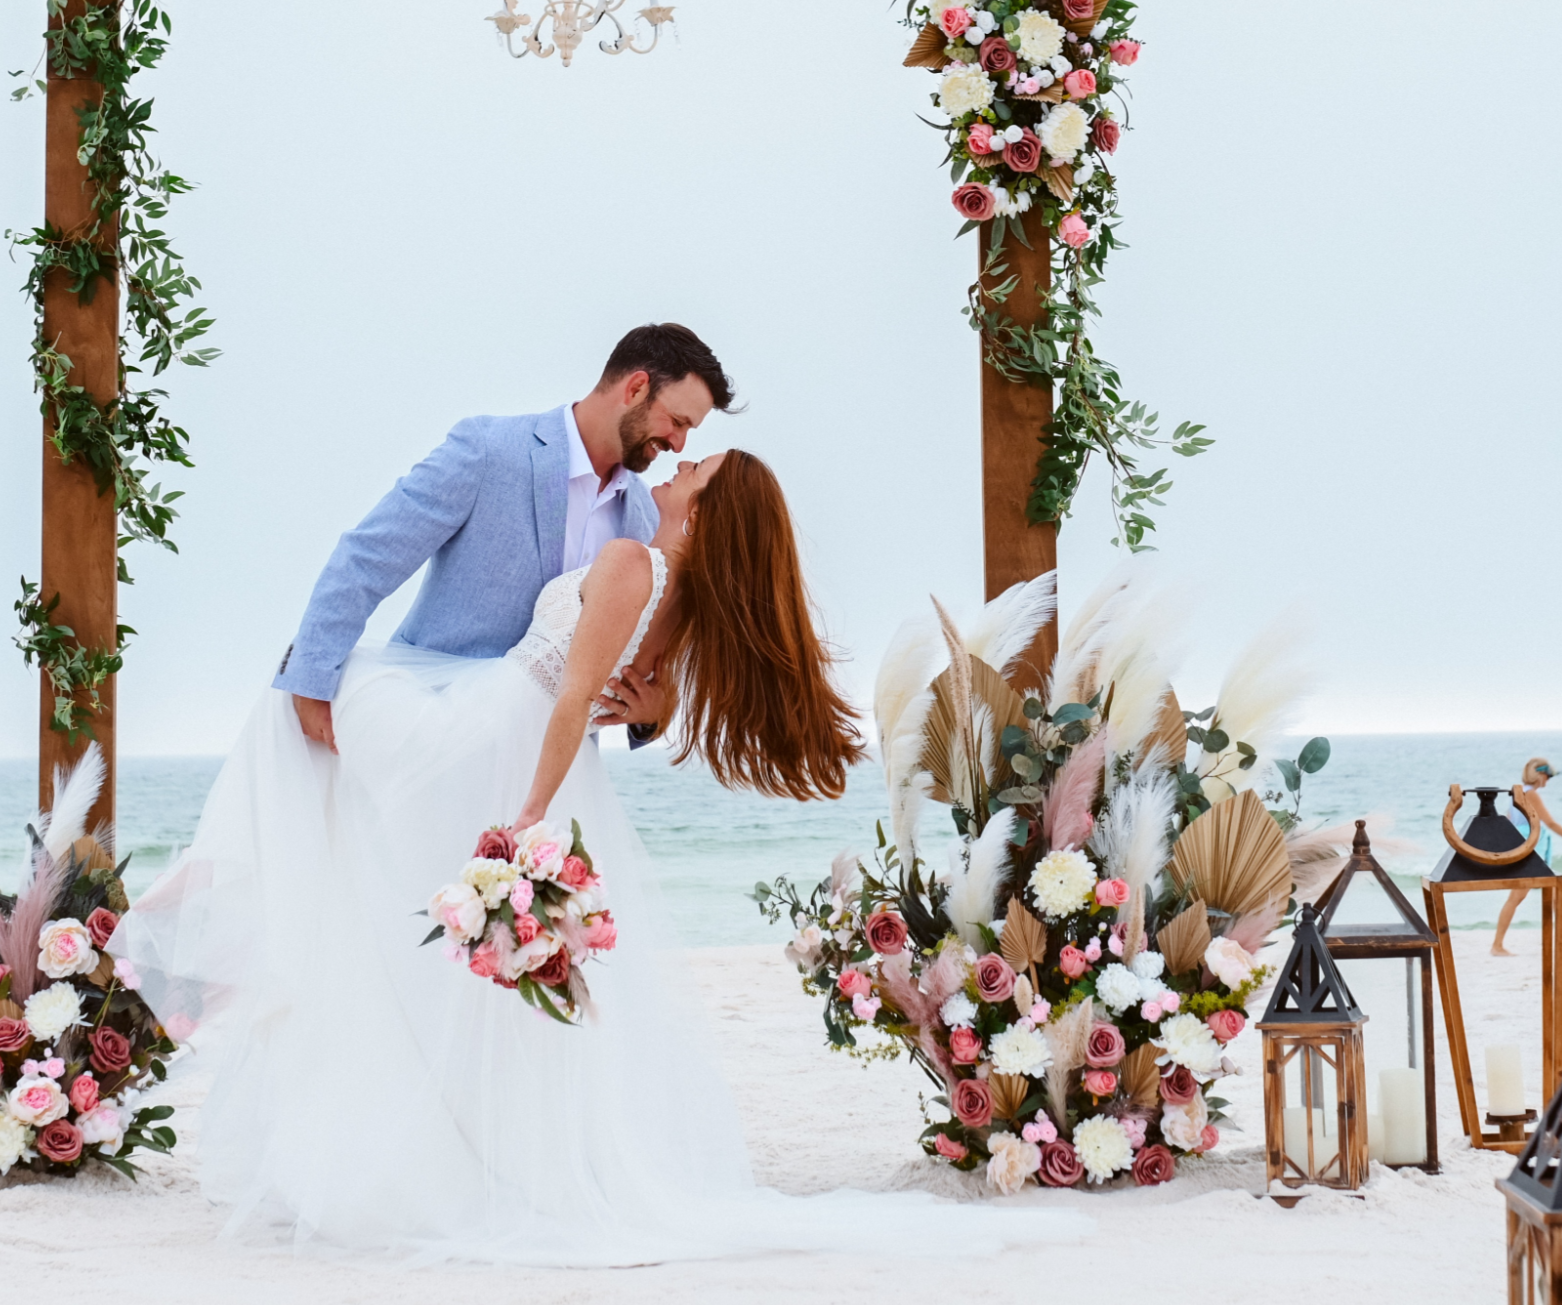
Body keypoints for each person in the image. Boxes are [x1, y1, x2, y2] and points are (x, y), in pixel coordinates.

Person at [117, 446, 1085, 1265]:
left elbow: (578, 696)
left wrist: (528, 817)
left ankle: (213, 907)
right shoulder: (685, 595)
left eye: (692, 469)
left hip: (494, 735)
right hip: (518, 738)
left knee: (301, 697)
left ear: (704, 517)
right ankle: (230, 914)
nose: (671, 468)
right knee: (346, 808)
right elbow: (644, 694)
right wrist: (635, 715)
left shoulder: (630, 559)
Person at [276, 321, 736, 751]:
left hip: (550, 772)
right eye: (677, 422)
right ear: (635, 388)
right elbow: (368, 558)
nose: (679, 444)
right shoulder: (488, 450)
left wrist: (652, 713)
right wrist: (311, 679)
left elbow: (645, 658)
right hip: (429, 734)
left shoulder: (645, 516)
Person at [1491, 757, 1558, 957]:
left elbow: (1508, 822)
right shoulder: (1532, 795)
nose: (1548, 780)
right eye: (1548, 775)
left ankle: (1497, 945)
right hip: (1531, 850)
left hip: (1522, 848)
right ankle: (1497, 945)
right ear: (1540, 774)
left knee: (1549, 894)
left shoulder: (1516, 794)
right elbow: (1551, 823)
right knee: (1520, 896)